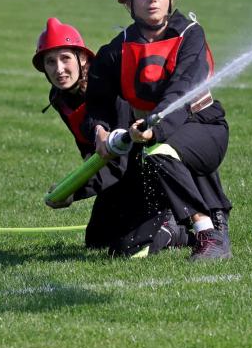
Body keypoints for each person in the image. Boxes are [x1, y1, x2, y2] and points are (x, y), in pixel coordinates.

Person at [83, 0, 233, 261]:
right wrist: (99, 130)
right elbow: (97, 100)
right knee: (105, 240)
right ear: (130, 2)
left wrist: (154, 127)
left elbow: (183, 88)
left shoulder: (190, 35)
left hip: (202, 125)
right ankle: (176, 228)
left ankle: (209, 234)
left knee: (160, 153)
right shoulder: (116, 49)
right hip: (153, 132)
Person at [33, 17, 190, 255]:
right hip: (121, 173)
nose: (59, 69)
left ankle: (176, 225)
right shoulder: (60, 97)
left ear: (82, 58)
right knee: (97, 239)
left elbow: (118, 163)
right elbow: (90, 152)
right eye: (50, 61)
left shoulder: (107, 88)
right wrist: (72, 185)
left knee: (125, 248)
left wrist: (72, 191)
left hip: (147, 171)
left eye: (65, 58)